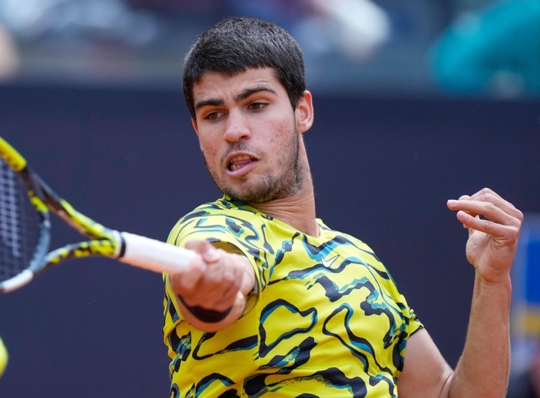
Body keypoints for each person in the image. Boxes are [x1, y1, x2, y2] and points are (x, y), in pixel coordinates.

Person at [163, 16, 524, 397]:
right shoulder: (208, 231)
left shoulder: (360, 260)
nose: (234, 130)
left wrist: (493, 281)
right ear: (198, 131)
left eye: (255, 105)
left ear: (302, 110)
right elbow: (222, 276)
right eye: (213, 115)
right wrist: (215, 282)